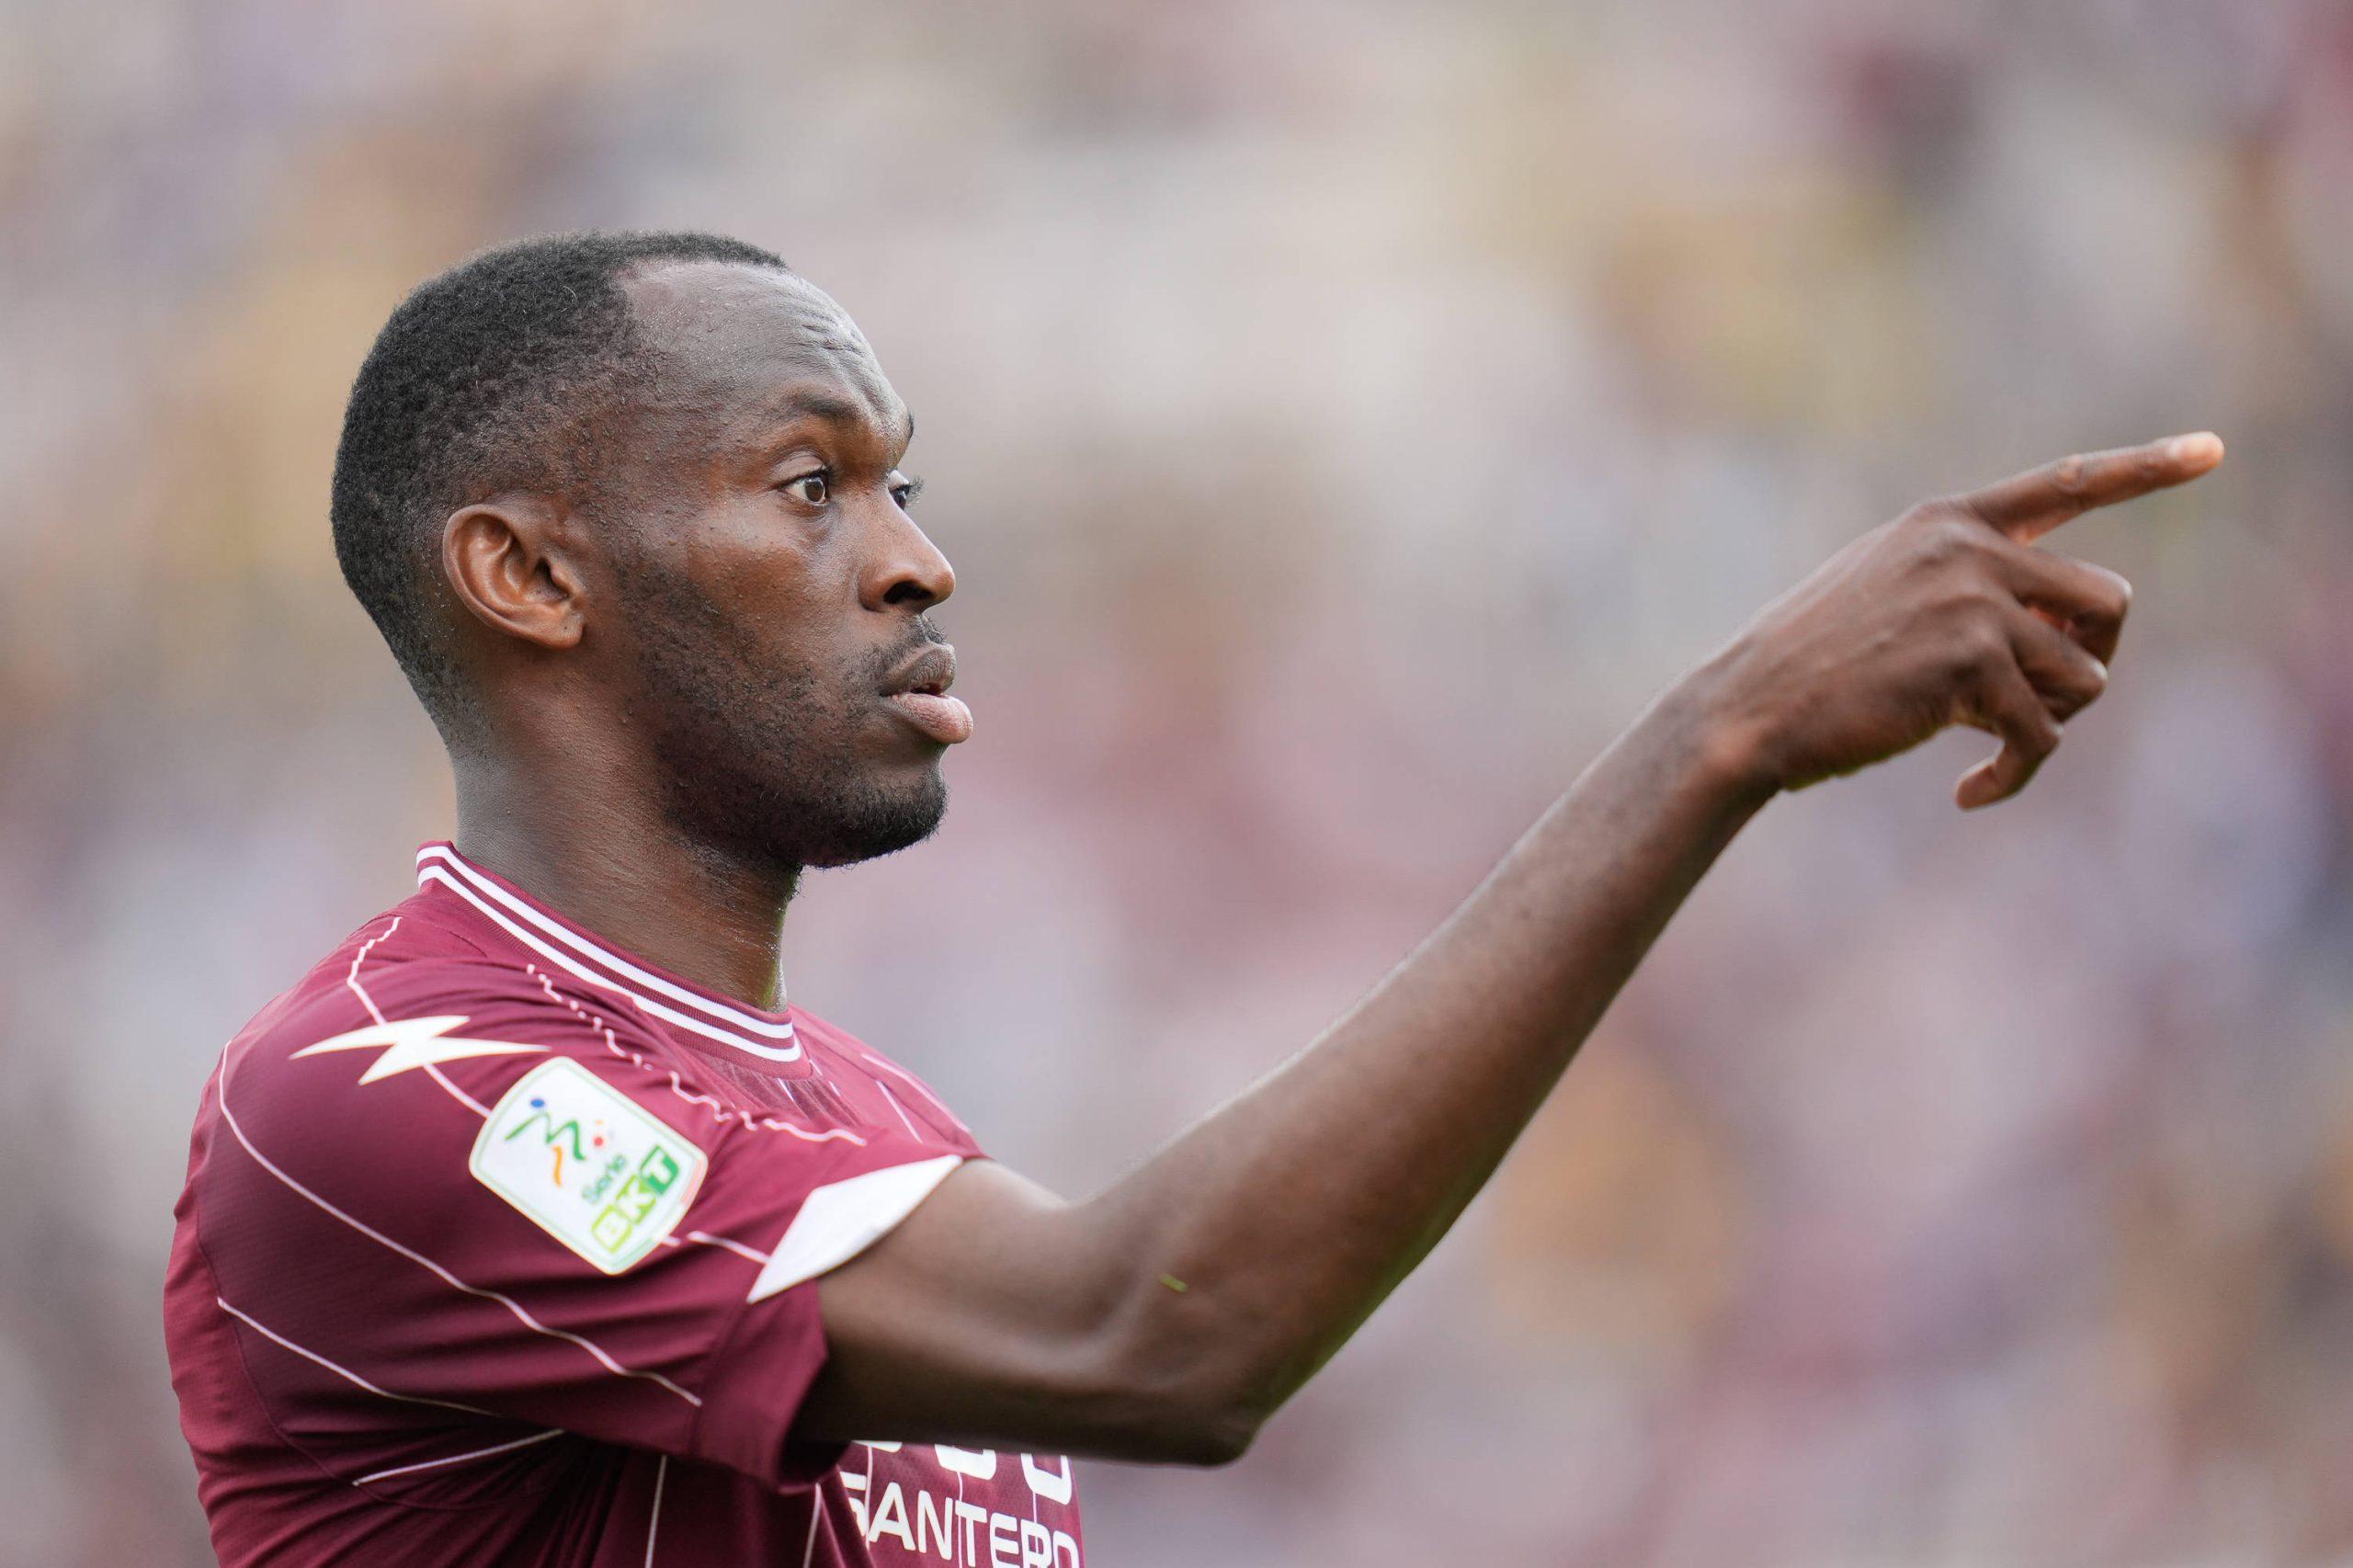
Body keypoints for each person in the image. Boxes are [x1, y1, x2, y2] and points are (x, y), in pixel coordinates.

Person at [163, 230, 2222, 1566]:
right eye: (811, 485)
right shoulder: (390, 1088)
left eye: (905, 483)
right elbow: (1159, 1336)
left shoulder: (879, 1137)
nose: (914, 560)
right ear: (528, 576)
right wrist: (1717, 737)